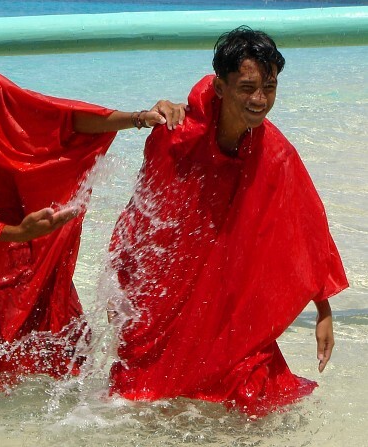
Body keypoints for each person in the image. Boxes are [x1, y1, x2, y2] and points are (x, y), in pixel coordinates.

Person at [0, 10, 186, 383]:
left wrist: (138, 118)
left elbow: (61, 121)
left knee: (65, 351)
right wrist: (12, 233)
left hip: (32, 242)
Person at [107, 26, 348, 416]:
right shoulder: (177, 136)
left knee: (253, 397)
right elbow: (141, 221)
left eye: (269, 87)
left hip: (223, 291)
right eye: (247, 87)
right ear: (219, 88)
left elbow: (304, 227)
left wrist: (324, 310)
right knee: (140, 399)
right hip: (166, 291)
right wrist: (125, 295)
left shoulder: (275, 152)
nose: (260, 99)